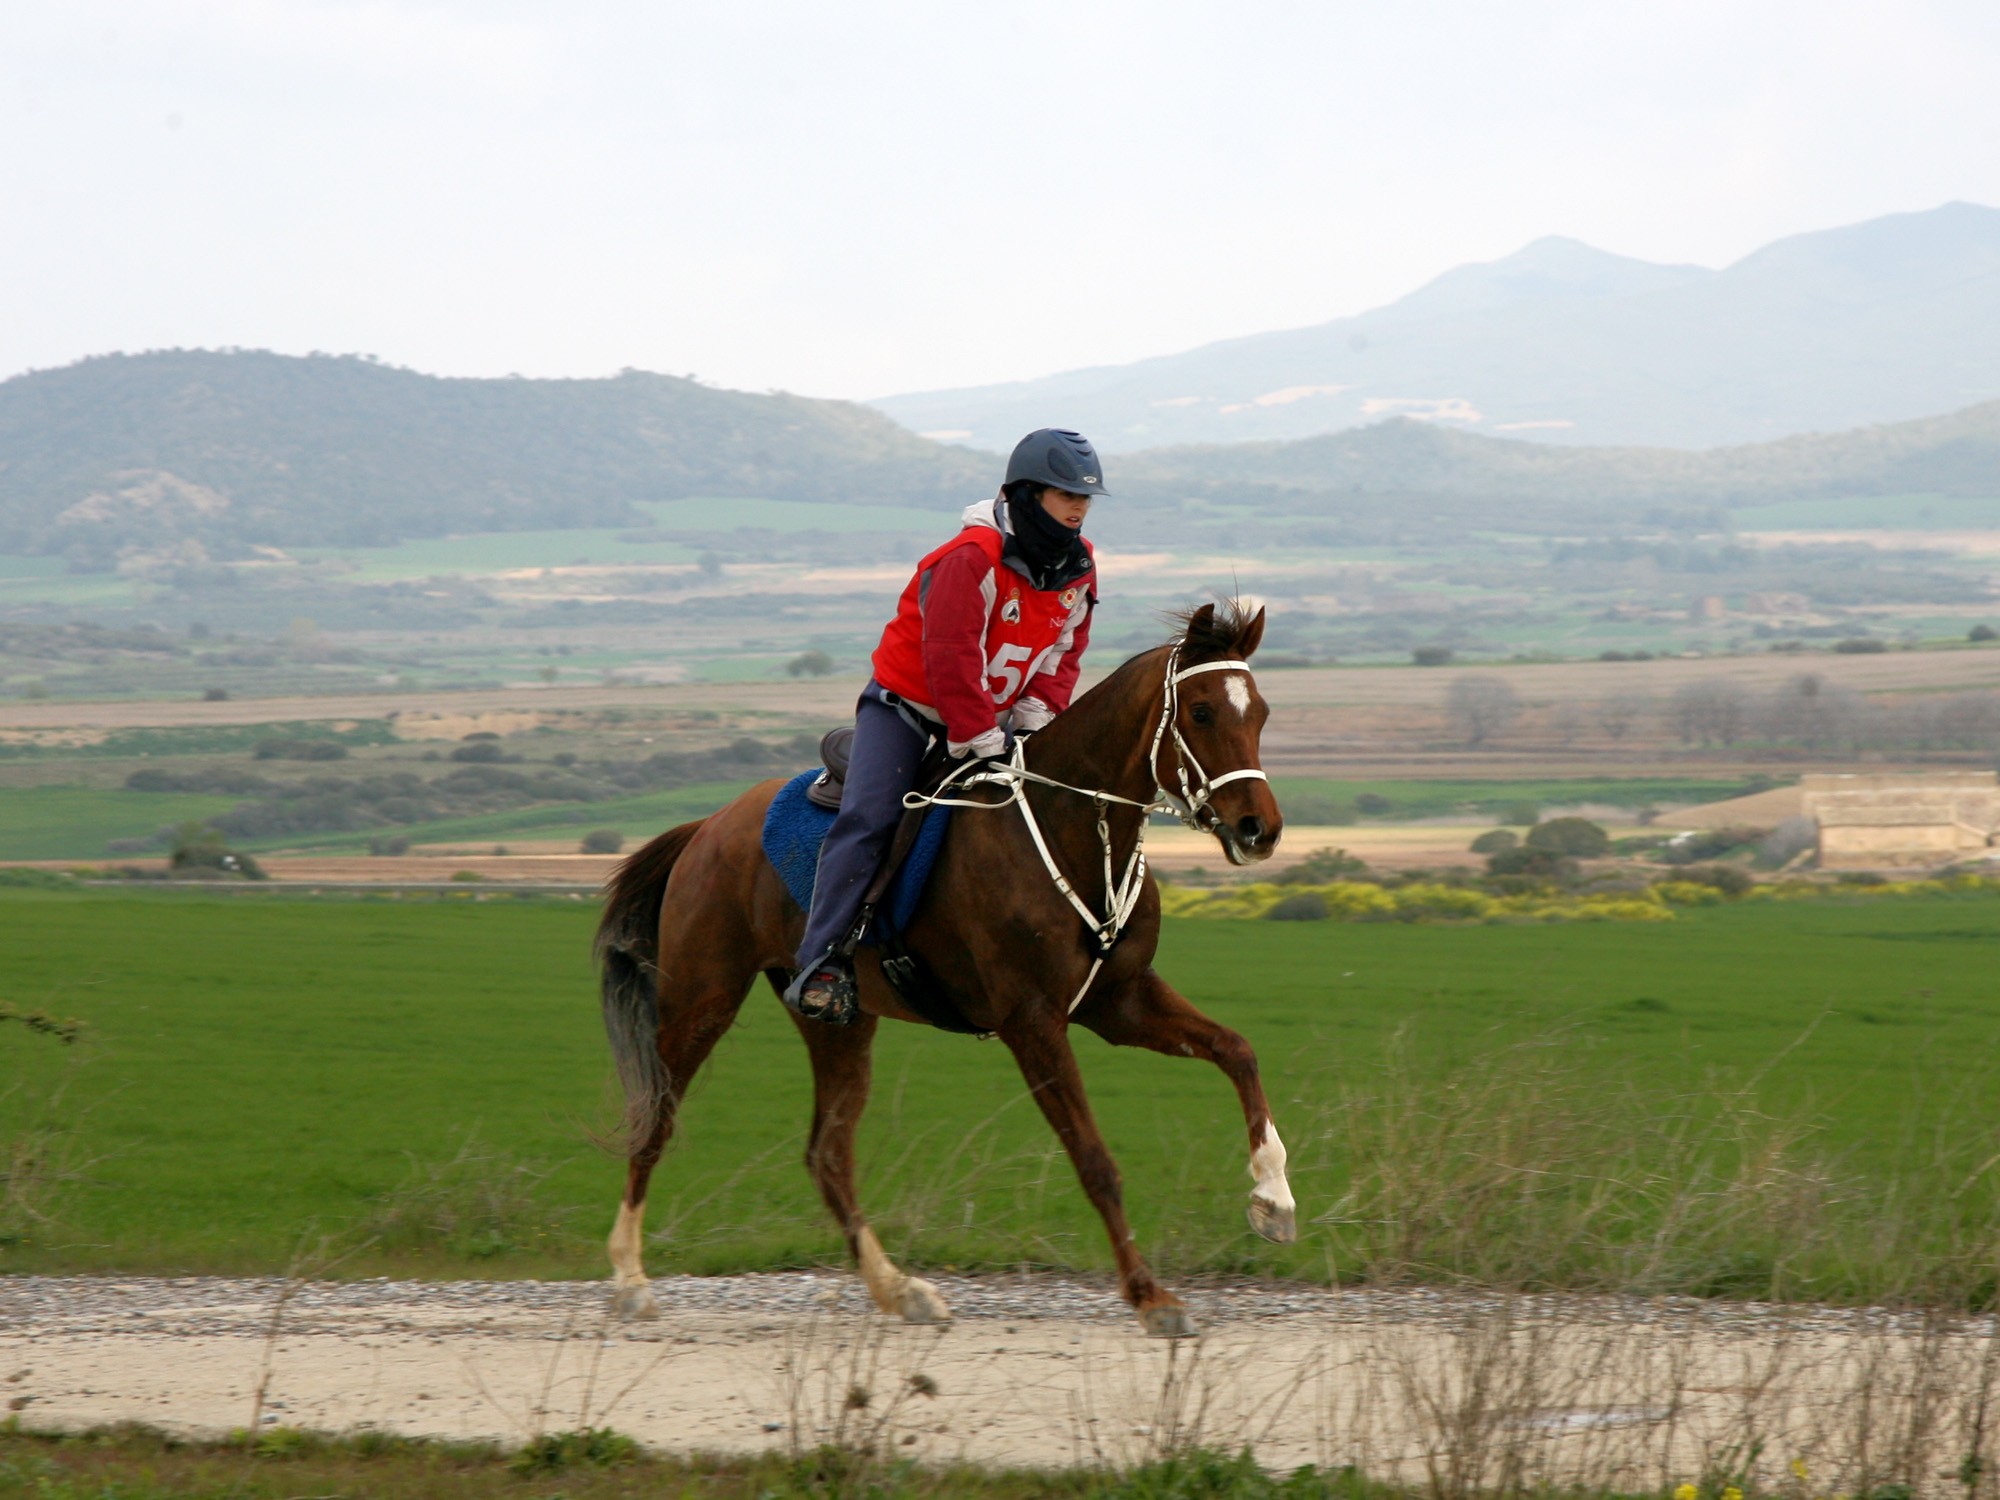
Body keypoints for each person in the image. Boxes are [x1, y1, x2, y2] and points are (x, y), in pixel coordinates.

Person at [782, 428, 1107, 1024]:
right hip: (907, 712)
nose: (1080, 506)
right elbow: (951, 655)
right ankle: (819, 963)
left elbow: (1064, 654)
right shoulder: (969, 558)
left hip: (999, 719)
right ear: (1027, 493)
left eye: (1085, 496)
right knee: (871, 818)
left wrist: (1033, 723)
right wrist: (978, 736)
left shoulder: (1079, 568)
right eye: (1066, 493)